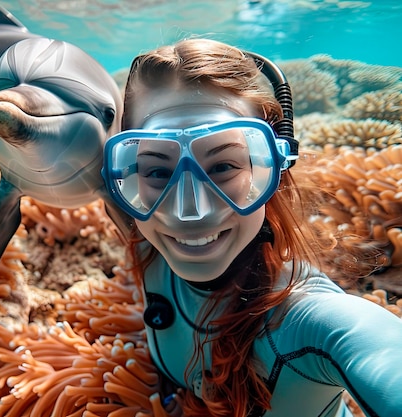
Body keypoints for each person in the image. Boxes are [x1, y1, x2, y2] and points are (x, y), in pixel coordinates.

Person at [101, 38, 402, 417]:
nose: (189, 212)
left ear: (272, 167)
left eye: (224, 166)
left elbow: (375, 348)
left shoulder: (307, 320)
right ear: (127, 175)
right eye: (158, 171)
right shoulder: (146, 239)